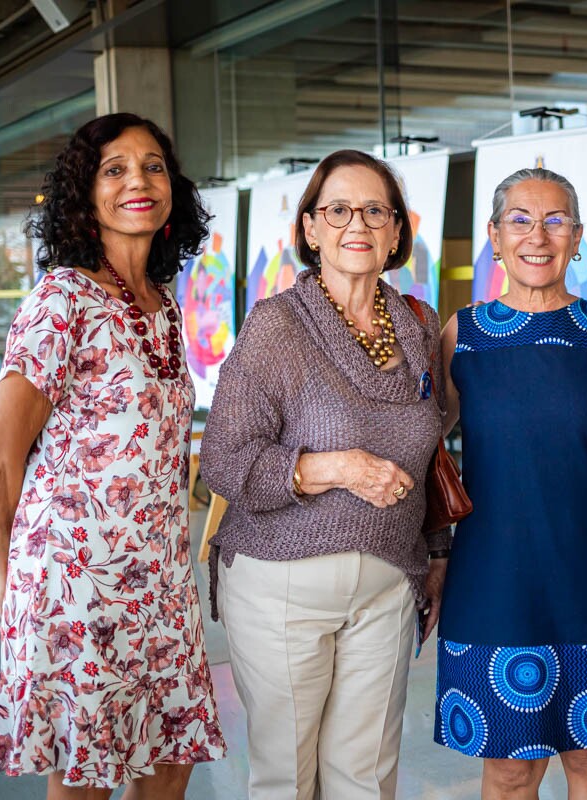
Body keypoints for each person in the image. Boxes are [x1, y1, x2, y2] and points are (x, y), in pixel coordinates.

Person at [0, 113, 226, 797]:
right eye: (114, 169)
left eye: (152, 165)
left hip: (159, 580)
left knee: (173, 763)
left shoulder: (163, 304)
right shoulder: (62, 300)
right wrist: (9, 585)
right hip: (77, 585)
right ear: (84, 196)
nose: (137, 181)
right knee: (89, 778)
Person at [200, 149, 446, 800]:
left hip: (388, 588)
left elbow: (433, 454)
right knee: (288, 781)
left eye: (374, 210)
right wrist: (331, 468)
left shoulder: (416, 326)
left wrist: (439, 552)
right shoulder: (277, 326)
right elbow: (222, 459)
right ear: (310, 228)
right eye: (337, 209)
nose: (356, 223)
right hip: (281, 587)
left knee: (366, 780)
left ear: (397, 231)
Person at [434, 167, 587, 799]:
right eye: (520, 219)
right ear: (494, 235)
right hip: (495, 578)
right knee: (509, 769)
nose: (537, 235)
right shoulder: (464, 335)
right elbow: (419, 441)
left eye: (555, 220)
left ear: (577, 238)